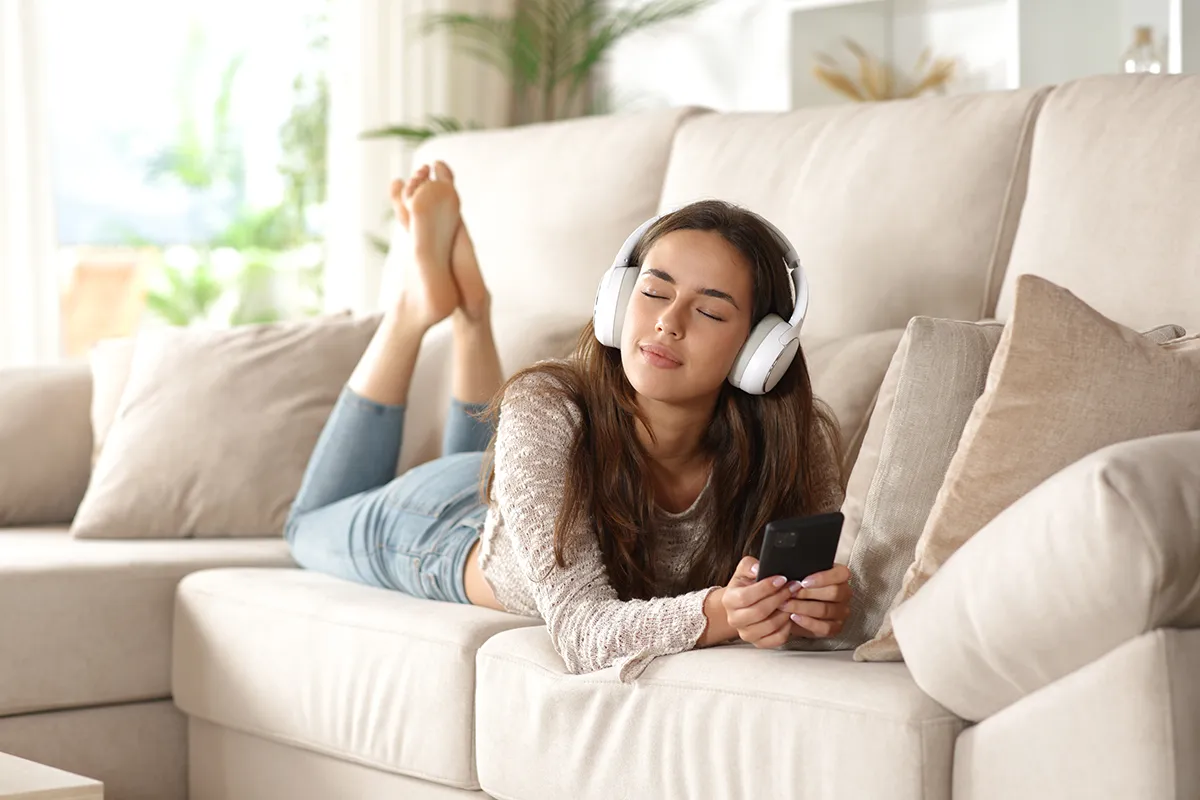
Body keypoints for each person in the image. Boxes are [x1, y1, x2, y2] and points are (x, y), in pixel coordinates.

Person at [285, 161, 853, 683]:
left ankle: (472, 313)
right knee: (304, 527)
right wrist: (719, 613)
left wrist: (812, 614)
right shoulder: (547, 403)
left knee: (491, 463)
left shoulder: (797, 440)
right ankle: (415, 312)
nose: (668, 324)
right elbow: (583, 633)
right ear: (618, 301)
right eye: (654, 292)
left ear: (761, 351)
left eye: (708, 310)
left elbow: (822, 609)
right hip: (441, 531)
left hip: (514, 489)